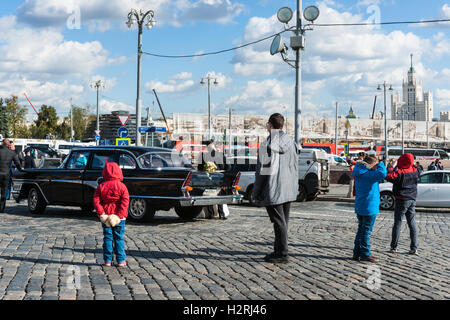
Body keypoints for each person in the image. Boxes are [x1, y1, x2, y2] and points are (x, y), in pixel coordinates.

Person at [252, 113, 298, 264]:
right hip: (288, 188)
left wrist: (256, 192)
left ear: (270, 125)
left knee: (278, 222)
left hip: (274, 188)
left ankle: (282, 253)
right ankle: (278, 250)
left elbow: (262, 172)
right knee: (283, 221)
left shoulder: (268, 145)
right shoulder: (291, 142)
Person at [93, 162, 130, 267]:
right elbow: (125, 201)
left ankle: (108, 260)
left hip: (106, 216)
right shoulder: (122, 187)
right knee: (119, 238)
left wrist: (101, 213)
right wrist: (119, 215)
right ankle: (121, 260)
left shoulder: (101, 186)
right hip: (119, 218)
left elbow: (96, 201)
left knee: (108, 238)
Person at [352, 155, 387, 263]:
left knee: (361, 230)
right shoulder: (370, 175)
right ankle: (365, 254)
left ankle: (357, 252)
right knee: (366, 231)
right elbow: (383, 173)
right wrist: (380, 163)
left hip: (360, 205)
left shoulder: (358, 171)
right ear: (372, 165)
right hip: (369, 206)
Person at [386, 153, 419, 255]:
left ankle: (393, 247)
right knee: (412, 223)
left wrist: (392, 166)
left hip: (401, 199)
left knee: (398, 223)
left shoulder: (400, 172)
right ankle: (414, 248)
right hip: (412, 199)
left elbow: (389, 176)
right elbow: (415, 166)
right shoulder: (415, 171)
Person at [200, 140, 227, 219]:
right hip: (218, 179)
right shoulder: (219, 154)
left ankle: (210, 214)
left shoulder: (203, 155)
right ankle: (221, 214)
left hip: (207, 178)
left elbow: (200, 168)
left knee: (209, 196)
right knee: (219, 196)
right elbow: (225, 167)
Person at [0, 139, 24, 213]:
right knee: (4, 192)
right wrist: (21, 169)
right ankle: (1, 209)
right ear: (8, 145)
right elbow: (17, 163)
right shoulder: (12, 153)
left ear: (2, 143)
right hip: (6, 174)